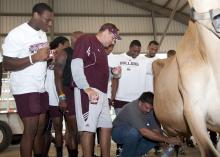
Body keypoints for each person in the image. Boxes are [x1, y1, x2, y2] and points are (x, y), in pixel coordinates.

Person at [2, 3, 54, 157]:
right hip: (25, 88)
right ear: (36, 15)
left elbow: (40, 58)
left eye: (51, 21)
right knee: (30, 130)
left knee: (40, 129)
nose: (49, 24)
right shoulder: (17, 34)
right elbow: (7, 64)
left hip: (40, 88)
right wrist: (34, 57)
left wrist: (49, 58)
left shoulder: (42, 34)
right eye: (47, 20)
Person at [71, 23, 121, 157]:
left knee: (106, 126)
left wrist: (113, 73)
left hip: (103, 93)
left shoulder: (101, 49)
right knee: (88, 129)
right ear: (106, 32)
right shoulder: (86, 39)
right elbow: (76, 63)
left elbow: (97, 70)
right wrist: (86, 88)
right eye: (114, 37)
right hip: (89, 90)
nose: (113, 41)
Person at [112, 92, 181, 157]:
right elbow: (144, 132)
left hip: (136, 132)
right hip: (118, 132)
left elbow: (156, 130)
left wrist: (163, 143)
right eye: (147, 107)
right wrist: (167, 139)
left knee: (154, 138)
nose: (148, 110)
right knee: (134, 133)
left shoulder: (150, 109)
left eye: (151, 108)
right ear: (140, 102)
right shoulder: (132, 108)